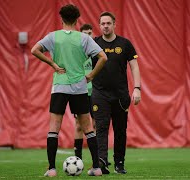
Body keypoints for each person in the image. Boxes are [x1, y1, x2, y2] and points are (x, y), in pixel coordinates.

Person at [31, 4, 107, 177]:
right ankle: (96, 168)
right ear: (77, 19)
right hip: (80, 87)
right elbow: (103, 57)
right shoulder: (84, 38)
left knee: (54, 127)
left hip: (59, 86)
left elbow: (34, 50)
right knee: (88, 127)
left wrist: (52, 64)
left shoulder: (53, 37)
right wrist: (91, 76)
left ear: (61, 18)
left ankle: (51, 169)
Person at [91, 11, 141, 174]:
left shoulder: (125, 44)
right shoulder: (93, 44)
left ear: (114, 24)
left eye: (108, 23)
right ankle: (102, 161)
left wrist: (137, 88)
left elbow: (134, 66)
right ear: (99, 26)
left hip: (120, 95)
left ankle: (119, 163)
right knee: (101, 128)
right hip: (100, 94)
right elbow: (82, 65)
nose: (105, 26)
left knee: (120, 130)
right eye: (102, 24)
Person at [73, 23, 96, 160]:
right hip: (81, 93)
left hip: (97, 93)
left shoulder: (97, 52)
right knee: (79, 126)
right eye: (85, 33)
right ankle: (78, 158)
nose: (88, 36)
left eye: (90, 33)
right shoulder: (77, 51)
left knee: (96, 124)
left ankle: (98, 158)